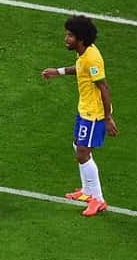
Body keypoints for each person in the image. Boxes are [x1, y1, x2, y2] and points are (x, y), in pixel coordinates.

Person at [41, 15, 118, 217]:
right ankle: (87, 191)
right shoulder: (84, 53)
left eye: (70, 36)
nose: (66, 39)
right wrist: (57, 71)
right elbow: (80, 69)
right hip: (84, 109)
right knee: (77, 145)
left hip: (94, 114)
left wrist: (108, 118)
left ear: (81, 39)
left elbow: (104, 87)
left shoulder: (92, 58)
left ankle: (98, 199)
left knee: (82, 153)